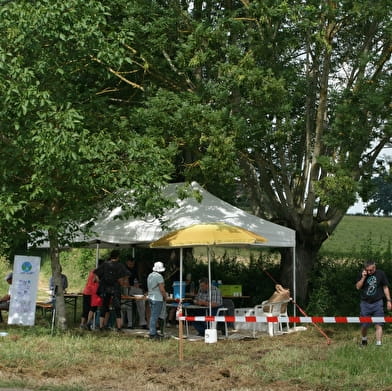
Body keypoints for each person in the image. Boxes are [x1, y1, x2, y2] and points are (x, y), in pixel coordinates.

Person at [355, 260, 392, 346]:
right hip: (365, 303)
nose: (369, 272)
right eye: (367, 270)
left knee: (379, 324)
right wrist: (363, 277)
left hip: (378, 303)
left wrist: (389, 301)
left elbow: (385, 287)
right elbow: (357, 287)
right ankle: (364, 341)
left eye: (371, 270)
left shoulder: (381, 274)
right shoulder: (363, 274)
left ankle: (378, 344)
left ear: (375, 267)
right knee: (364, 325)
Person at [94, 250, 130, 332]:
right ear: (118, 257)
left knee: (104, 306)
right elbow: (127, 274)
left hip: (106, 288)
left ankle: (101, 326)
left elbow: (96, 273)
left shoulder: (105, 264)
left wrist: (100, 282)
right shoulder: (120, 265)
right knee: (117, 307)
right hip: (115, 288)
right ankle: (119, 327)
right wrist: (123, 281)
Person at [80, 259, 104, 330]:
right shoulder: (97, 272)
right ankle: (86, 323)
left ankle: (83, 324)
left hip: (87, 291)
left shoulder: (92, 271)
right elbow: (95, 280)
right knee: (92, 308)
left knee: (87, 309)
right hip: (91, 292)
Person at [147, 261, 168, 339]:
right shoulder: (159, 276)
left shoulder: (150, 275)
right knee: (155, 316)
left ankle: (153, 331)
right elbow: (162, 289)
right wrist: (165, 297)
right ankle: (152, 333)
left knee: (152, 315)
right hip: (157, 298)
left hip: (150, 297)